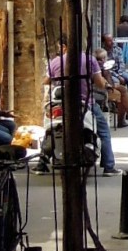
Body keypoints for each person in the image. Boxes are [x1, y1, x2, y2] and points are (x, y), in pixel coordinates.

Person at [46, 38, 117, 174]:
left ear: (65, 46)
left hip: (61, 103)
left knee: (50, 129)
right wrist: (105, 84)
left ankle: (42, 161)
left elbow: (46, 81)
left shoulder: (55, 61)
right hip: (85, 103)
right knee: (103, 132)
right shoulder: (89, 60)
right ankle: (109, 166)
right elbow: (100, 83)